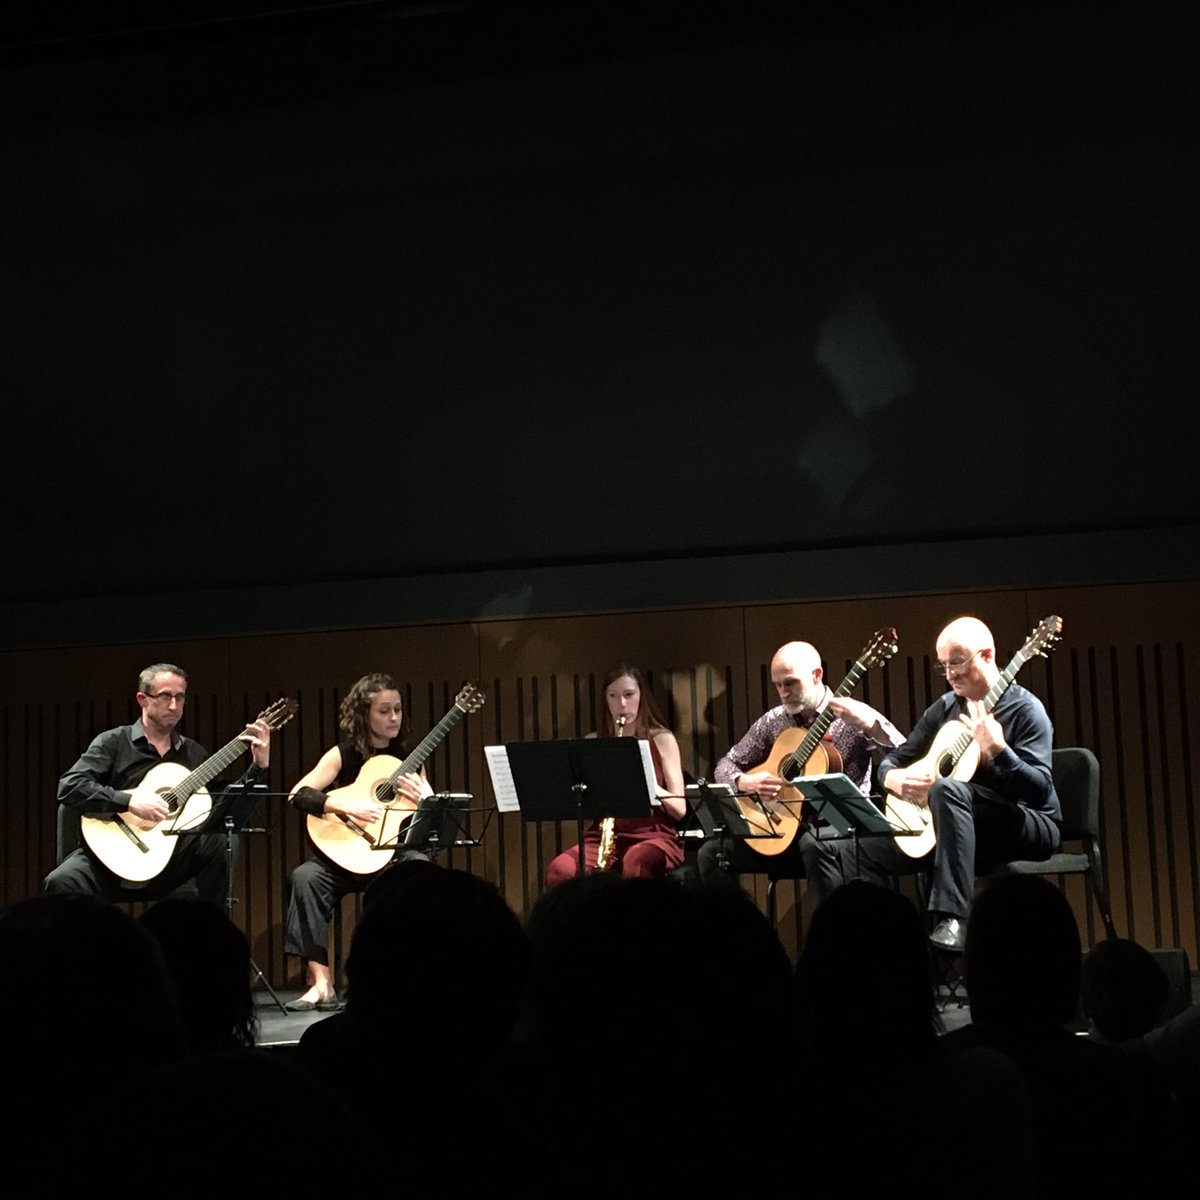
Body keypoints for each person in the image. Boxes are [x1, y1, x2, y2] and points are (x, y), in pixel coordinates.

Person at [809, 616, 1061, 950]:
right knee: (840, 849)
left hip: (1026, 822)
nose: (951, 674)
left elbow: (1039, 789)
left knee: (946, 789)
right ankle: (876, 947)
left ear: (987, 655)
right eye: (943, 666)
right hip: (953, 830)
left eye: (957, 663)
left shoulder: (1026, 709)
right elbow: (893, 760)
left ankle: (953, 918)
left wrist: (999, 751)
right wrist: (894, 779)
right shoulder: (945, 708)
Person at [45, 662, 271, 905]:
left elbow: (224, 807)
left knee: (223, 838)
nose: (174, 706)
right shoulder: (113, 742)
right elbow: (69, 786)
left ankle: (210, 928)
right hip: (108, 856)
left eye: (180, 698)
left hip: (167, 862)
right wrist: (129, 801)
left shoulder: (193, 754)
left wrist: (258, 767)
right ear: (142, 699)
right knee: (60, 880)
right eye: (165, 697)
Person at [697, 639, 903, 892]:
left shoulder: (852, 715)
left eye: (791, 683)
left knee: (813, 845)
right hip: (781, 830)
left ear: (817, 675)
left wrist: (870, 726)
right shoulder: (774, 720)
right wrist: (745, 781)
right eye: (778, 685)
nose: (783, 692)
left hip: (839, 835)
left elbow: (903, 755)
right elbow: (726, 764)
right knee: (712, 853)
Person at [284, 671, 433, 1010]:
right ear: (364, 714)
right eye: (384, 710)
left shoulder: (409, 760)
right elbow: (298, 794)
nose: (394, 717)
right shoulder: (343, 754)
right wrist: (340, 803)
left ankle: (401, 977)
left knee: (420, 871)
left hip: (392, 857)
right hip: (345, 854)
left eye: (397, 709)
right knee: (304, 877)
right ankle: (321, 983)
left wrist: (428, 799)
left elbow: (424, 827)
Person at [544, 664, 687, 885]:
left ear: (641, 697)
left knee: (638, 863)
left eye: (629, 695)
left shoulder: (662, 739)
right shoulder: (593, 742)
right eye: (613, 696)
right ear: (605, 700)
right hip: (602, 836)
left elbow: (679, 810)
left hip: (652, 834)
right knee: (559, 871)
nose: (622, 704)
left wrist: (649, 785)